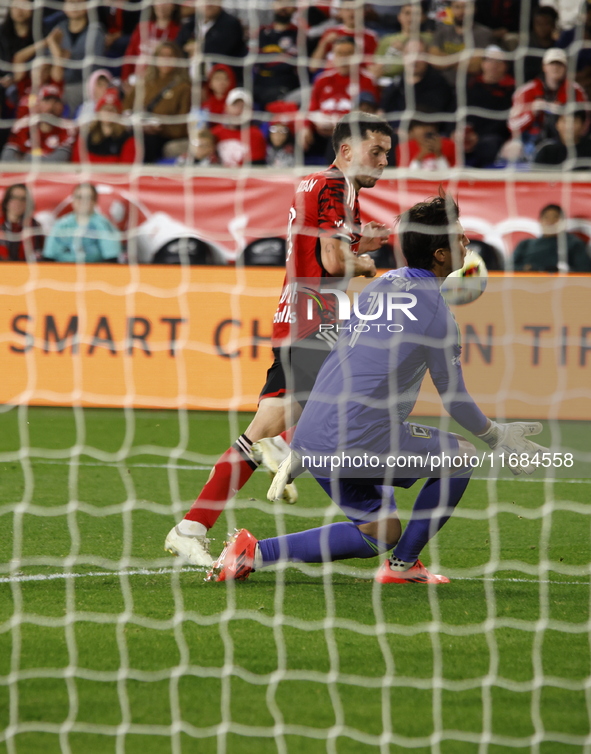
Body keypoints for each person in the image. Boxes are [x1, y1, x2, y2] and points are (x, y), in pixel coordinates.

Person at [206, 193, 547, 584]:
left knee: (379, 532)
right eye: (461, 238)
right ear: (440, 254)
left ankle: (254, 553)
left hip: (318, 438)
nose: (468, 244)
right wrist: (496, 436)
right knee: (461, 456)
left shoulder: (380, 287)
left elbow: (340, 361)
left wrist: (299, 441)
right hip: (357, 440)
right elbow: (454, 398)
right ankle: (403, 567)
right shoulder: (437, 315)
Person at [164, 112, 393, 567]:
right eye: (377, 151)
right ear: (346, 150)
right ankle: (385, 536)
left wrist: (369, 243)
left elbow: (326, 248)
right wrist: (368, 266)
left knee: (266, 429)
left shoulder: (330, 188)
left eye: (387, 152)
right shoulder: (332, 187)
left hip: (300, 316)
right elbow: (331, 262)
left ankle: (191, 527)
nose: (386, 161)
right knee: (359, 411)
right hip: (316, 321)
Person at [302, 36, 379, 160]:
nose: (344, 58)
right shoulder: (322, 80)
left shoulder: (367, 81)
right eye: (340, 53)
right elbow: (312, 108)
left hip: (349, 134)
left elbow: (368, 114)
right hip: (321, 132)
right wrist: (305, 127)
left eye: (348, 54)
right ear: (333, 56)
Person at [507, 48, 588, 160]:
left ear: (565, 68)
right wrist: (532, 112)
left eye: (559, 64)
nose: (555, 67)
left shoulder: (576, 91)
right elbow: (513, 126)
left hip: (565, 140)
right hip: (530, 139)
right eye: (551, 64)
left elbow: (585, 122)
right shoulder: (525, 91)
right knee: (513, 149)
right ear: (544, 67)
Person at [123, 41, 191, 163]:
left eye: (170, 56)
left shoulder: (184, 88)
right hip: (136, 129)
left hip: (161, 137)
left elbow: (182, 126)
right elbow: (125, 108)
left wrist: (159, 127)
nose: (166, 59)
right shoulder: (144, 83)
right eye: (162, 55)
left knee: (146, 141)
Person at [381, 38, 456, 134]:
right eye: (409, 53)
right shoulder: (397, 83)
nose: (414, 59)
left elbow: (430, 124)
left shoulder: (439, 85)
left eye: (419, 54)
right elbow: (382, 112)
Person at [461, 44, 514, 167]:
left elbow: (505, 120)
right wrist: (455, 131)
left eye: (499, 61)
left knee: (490, 143)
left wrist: (477, 135)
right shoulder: (470, 85)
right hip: (466, 132)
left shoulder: (511, 89)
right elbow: (455, 110)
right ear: (483, 64)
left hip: (492, 136)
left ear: (505, 66)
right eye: (490, 60)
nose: (494, 65)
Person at [43, 182, 122, 263]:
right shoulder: (61, 224)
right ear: (73, 200)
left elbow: (112, 258)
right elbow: (48, 257)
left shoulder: (103, 225)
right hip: (62, 271)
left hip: (94, 271)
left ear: (94, 201)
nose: (82, 201)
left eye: (87, 198)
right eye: (79, 197)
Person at [51, 0, 106, 112]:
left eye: (79, 2)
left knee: (68, 93)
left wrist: (69, 60)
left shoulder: (96, 31)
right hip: (58, 83)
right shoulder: (58, 30)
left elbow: (94, 70)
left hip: (84, 85)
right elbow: (50, 65)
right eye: (70, 2)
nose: (74, 6)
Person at [0, 84, 75, 162]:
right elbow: (7, 158)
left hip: (54, 174)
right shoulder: (22, 124)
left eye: (56, 101)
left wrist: (26, 159)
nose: (51, 106)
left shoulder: (68, 127)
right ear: (38, 103)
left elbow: (60, 161)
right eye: (47, 100)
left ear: (62, 106)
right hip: (22, 173)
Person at [429, 0, 494, 90]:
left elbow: (476, 67)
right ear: (451, 9)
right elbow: (434, 60)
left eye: (466, 7)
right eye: (457, 7)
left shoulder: (484, 33)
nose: (461, 11)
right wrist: (464, 61)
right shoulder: (442, 31)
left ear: (474, 9)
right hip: (440, 85)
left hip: (471, 87)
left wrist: (445, 60)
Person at [512, 204, 591, 273]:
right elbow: (507, 268)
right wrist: (525, 268)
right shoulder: (526, 244)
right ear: (540, 221)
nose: (551, 221)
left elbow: (584, 270)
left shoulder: (573, 243)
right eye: (546, 217)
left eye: (555, 217)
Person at [120, 2, 181, 88]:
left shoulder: (179, 32)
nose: (161, 5)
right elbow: (129, 57)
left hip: (162, 85)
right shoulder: (142, 27)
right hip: (136, 83)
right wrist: (125, 81)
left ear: (174, 5)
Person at [309, 0, 379, 73]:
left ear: (364, 12)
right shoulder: (330, 32)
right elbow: (313, 67)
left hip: (358, 79)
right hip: (331, 79)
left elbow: (372, 67)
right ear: (340, 12)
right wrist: (324, 43)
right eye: (348, 9)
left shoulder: (371, 37)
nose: (352, 13)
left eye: (356, 9)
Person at [72, 88, 137, 164]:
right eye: (105, 109)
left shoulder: (127, 139)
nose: (108, 113)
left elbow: (127, 168)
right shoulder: (86, 136)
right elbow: (77, 163)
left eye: (112, 109)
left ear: (118, 114)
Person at [370, 3, 432, 82]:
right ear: (399, 17)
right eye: (407, 13)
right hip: (386, 82)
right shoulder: (386, 39)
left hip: (418, 81)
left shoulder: (429, 39)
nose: (411, 18)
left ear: (423, 17)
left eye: (416, 14)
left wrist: (405, 51)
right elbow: (376, 66)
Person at [253, 0, 299, 107]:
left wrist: (267, 60)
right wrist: (281, 59)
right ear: (273, 5)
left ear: (295, 8)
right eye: (280, 1)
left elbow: (291, 64)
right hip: (259, 86)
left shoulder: (299, 35)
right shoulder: (261, 33)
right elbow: (255, 59)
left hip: (285, 87)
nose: (283, 7)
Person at [210, 88, 267, 167]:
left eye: (243, 107)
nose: (239, 111)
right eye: (235, 105)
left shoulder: (255, 134)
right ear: (226, 107)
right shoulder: (215, 133)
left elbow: (257, 168)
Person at [0, 183, 44, 261]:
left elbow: (39, 253)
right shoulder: (1, 224)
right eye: (14, 198)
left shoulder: (34, 227)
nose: (18, 202)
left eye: (23, 199)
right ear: (6, 202)